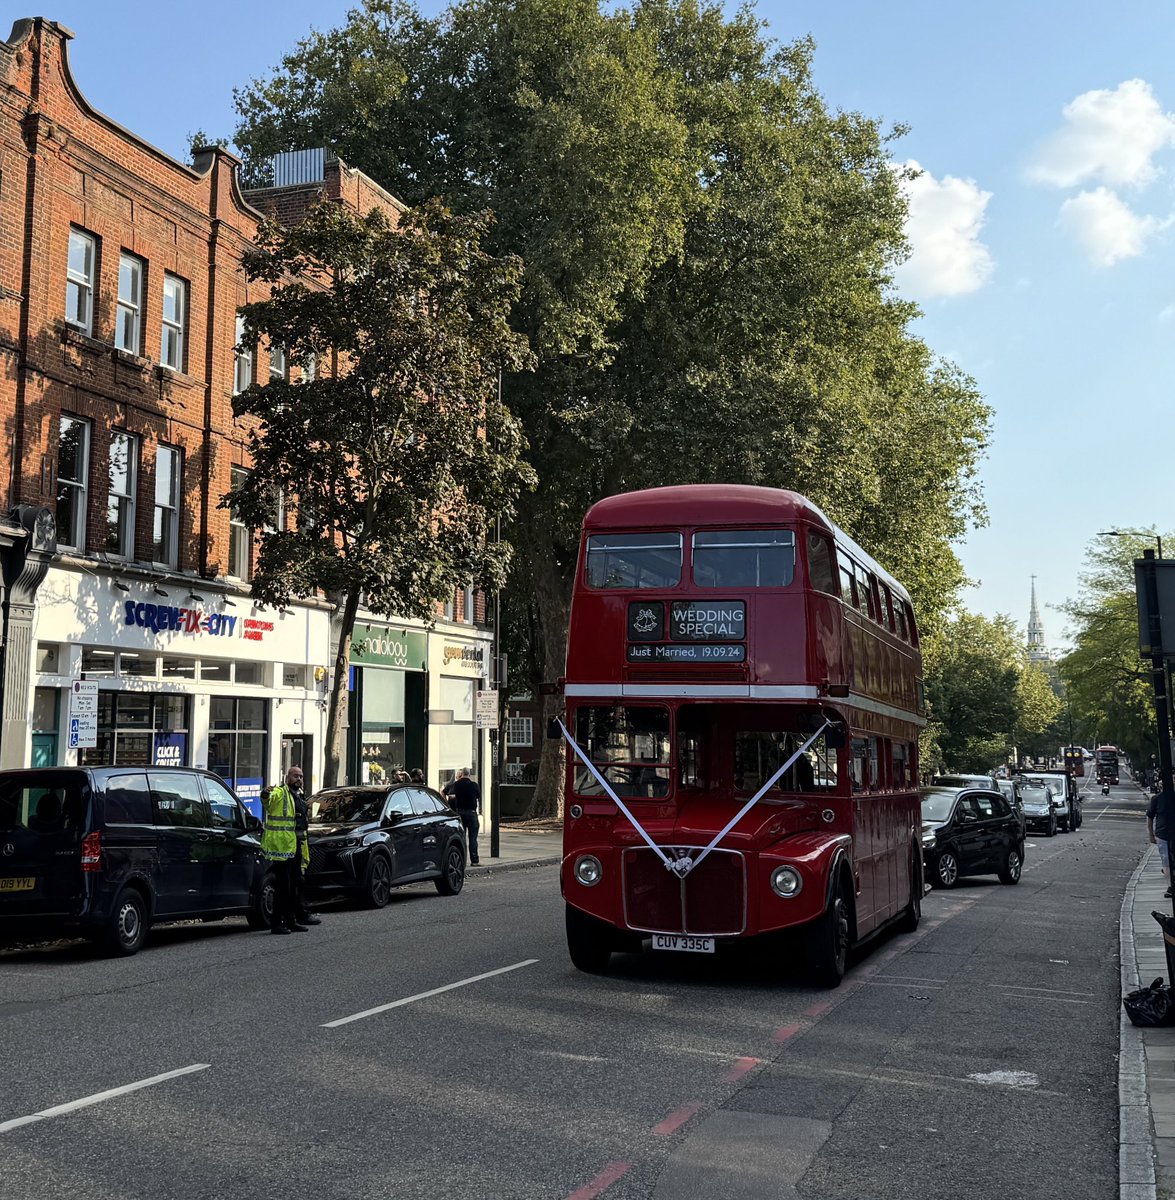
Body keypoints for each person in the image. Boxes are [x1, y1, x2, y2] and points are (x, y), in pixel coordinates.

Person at [261, 769, 306, 934]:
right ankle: (277, 923)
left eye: (301, 776)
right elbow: (268, 800)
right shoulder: (280, 792)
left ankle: (290, 921)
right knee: (283, 886)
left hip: (293, 845)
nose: (299, 779)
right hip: (280, 847)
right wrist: (266, 793)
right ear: (287, 778)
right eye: (295, 776)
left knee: (294, 884)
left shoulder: (299, 795)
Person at [444, 767, 481, 865]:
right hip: (472, 813)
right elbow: (478, 796)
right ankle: (474, 860)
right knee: (473, 838)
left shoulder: (456, 785)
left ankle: (462, 860)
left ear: (462, 774)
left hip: (460, 812)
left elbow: (448, 793)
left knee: (461, 838)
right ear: (469, 774)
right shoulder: (474, 785)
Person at [1148, 786, 1173, 899]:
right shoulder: (1156, 799)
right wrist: (1151, 834)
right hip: (1162, 834)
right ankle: (1170, 886)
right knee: (1166, 859)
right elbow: (1150, 816)